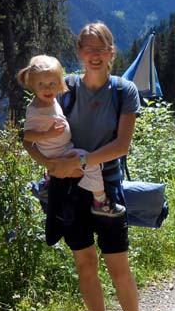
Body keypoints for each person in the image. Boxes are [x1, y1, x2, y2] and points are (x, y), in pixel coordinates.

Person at [22, 23, 165, 311]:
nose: (95, 55)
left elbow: (122, 145)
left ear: (112, 52)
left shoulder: (123, 91)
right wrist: (50, 164)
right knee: (84, 263)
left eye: (101, 48)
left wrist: (83, 159)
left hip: (107, 186)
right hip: (68, 188)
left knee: (118, 264)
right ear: (79, 53)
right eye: (88, 48)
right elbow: (30, 131)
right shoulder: (63, 86)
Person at [17, 55, 125, 217]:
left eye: (52, 84)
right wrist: (48, 134)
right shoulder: (35, 109)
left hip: (64, 149)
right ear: (32, 85)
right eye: (41, 84)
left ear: (59, 84)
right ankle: (100, 201)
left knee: (88, 166)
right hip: (58, 153)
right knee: (92, 163)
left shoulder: (51, 101)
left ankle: (49, 182)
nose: (47, 88)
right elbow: (28, 136)